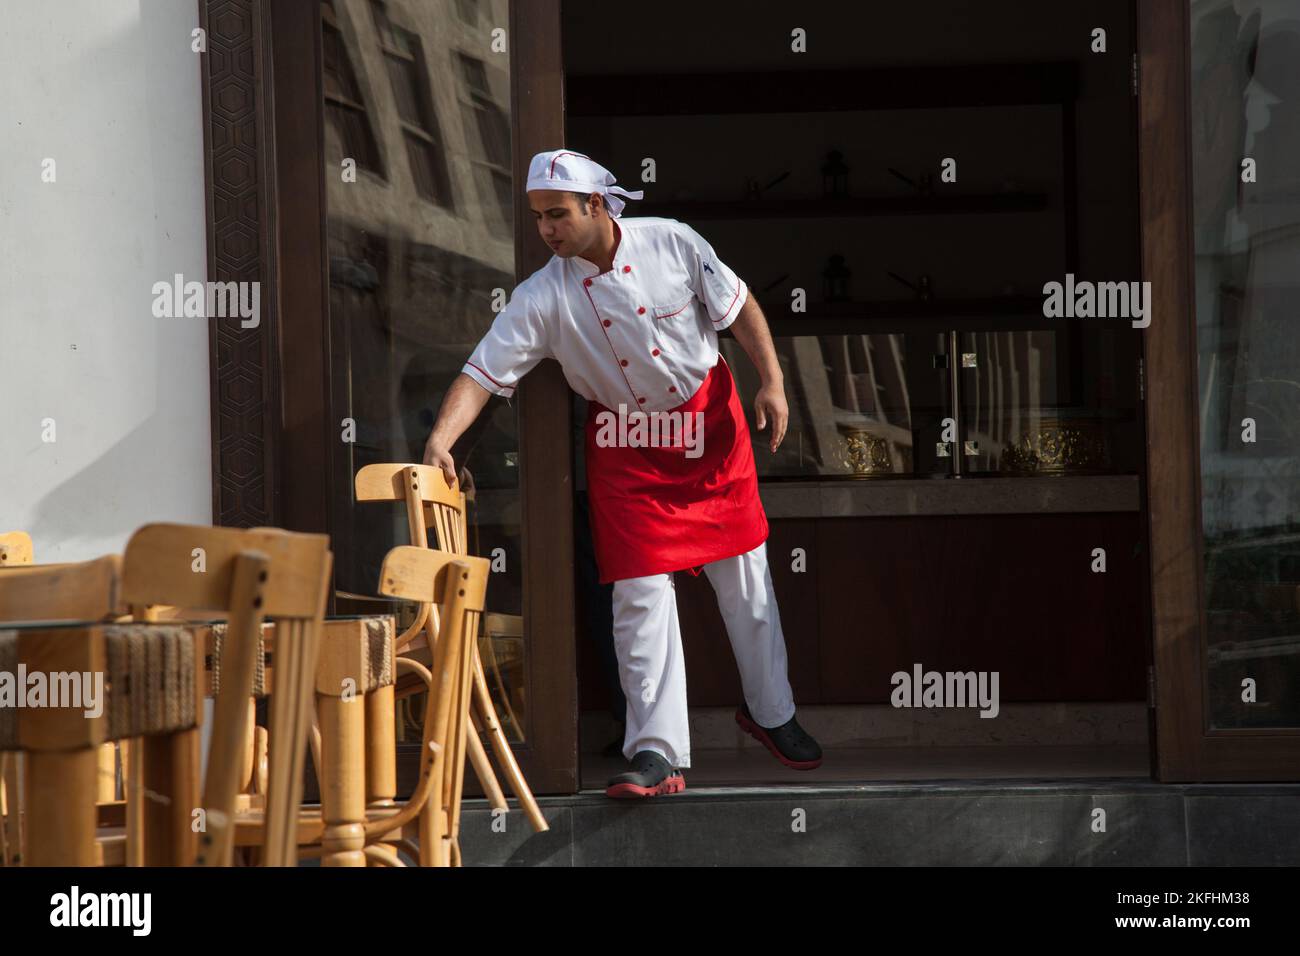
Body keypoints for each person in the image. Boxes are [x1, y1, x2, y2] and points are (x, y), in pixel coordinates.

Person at [423, 149, 822, 798]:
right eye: (537, 218)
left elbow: (740, 305)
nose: (547, 229)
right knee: (640, 595)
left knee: (744, 577)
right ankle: (657, 751)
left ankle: (772, 713)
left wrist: (773, 383)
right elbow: (483, 371)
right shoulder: (542, 296)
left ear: (597, 206)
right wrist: (441, 438)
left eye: (557, 214)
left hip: (707, 429)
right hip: (626, 443)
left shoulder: (673, 242)